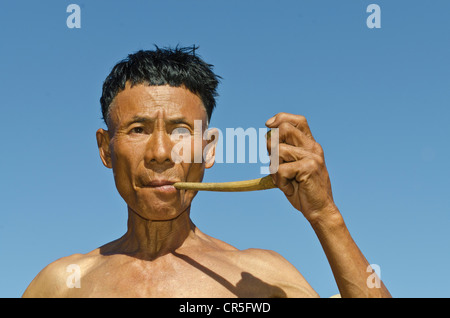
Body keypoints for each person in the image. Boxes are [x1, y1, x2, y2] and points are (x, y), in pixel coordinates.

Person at [22, 46, 391, 298]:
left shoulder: (258, 280)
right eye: (138, 129)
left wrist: (325, 215)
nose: (161, 153)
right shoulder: (63, 284)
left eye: (182, 131)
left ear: (209, 149)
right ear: (106, 148)